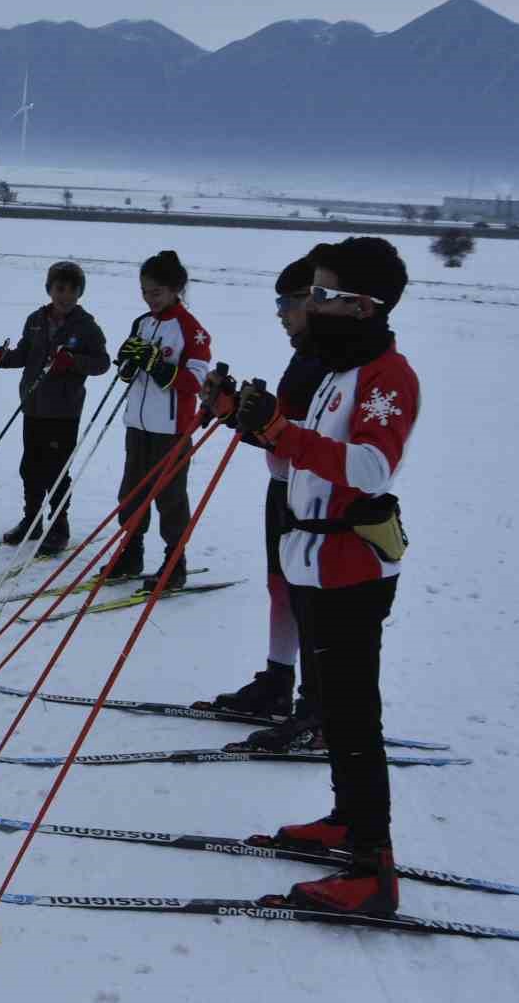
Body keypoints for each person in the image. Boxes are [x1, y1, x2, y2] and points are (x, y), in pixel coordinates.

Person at [236, 236, 419, 915]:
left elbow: (371, 467)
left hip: (352, 566)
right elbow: (299, 452)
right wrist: (248, 417)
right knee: (338, 712)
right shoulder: (338, 368)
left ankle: (373, 867)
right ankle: (347, 821)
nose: (310, 306)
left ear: (361, 304)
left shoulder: (387, 375)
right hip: (312, 561)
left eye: (322, 294)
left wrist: (281, 431)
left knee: (354, 713)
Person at [198, 257, 329, 740]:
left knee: (308, 597)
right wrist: (236, 411)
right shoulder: (304, 354)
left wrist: (264, 421)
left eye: (287, 303)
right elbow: (276, 432)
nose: (280, 314)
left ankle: (317, 707)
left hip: (314, 497)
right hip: (282, 487)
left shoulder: (331, 361)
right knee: (281, 588)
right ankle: (278, 680)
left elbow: (316, 438)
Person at [0, 260, 111, 552]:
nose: (64, 296)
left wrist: (73, 362)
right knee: (30, 466)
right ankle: (32, 521)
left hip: (64, 410)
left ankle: (59, 527)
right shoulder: (36, 319)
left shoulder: (86, 326)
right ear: (49, 289)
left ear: (79, 293)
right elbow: (25, 353)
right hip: (33, 404)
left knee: (56, 470)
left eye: (71, 290)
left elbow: (102, 363)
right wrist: (5, 359)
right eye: (59, 288)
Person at [111, 250, 211, 590]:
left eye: (156, 292)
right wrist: (127, 363)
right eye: (145, 292)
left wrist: (158, 366)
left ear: (175, 289)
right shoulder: (142, 322)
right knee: (131, 494)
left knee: (170, 499)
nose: (149, 299)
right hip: (137, 424)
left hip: (171, 430)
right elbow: (130, 373)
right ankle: (130, 553)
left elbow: (195, 383)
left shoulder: (191, 331)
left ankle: (174, 562)